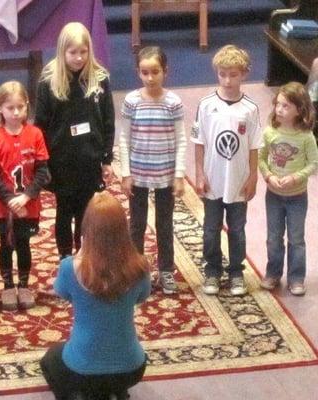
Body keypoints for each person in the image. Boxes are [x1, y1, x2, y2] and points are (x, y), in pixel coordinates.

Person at [40, 192, 150, 400]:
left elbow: (61, 292)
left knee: (50, 359)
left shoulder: (70, 268)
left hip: (82, 368)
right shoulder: (140, 267)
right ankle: (115, 390)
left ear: (86, 228)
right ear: (123, 229)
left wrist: (80, 255)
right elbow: (142, 296)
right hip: (132, 367)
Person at [34, 21, 115, 260]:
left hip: (89, 158)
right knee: (64, 211)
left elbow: (108, 120)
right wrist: (42, 162)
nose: (78, 58)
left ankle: (83, 256)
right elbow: (40, 124)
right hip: (61, 159)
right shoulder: (48, 80)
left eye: (83, 51)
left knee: (85, 212)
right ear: (62, 52)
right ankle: (64, 257)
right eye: (72, 53)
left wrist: (107, 158)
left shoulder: (99, 78)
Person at [191, 45, 262, 296]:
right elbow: (199, 142)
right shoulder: (206, 104)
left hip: (238, 181)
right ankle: (212, 271)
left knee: (237, 230)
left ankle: (235, 273)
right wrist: (199, 173)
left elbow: (254, 146)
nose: (228, 80)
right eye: (222, 74)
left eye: (233, 74)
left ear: (244, 74)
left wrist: (253, 176)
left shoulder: (250, 108)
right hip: (213, 179)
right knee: (210, 230)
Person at [120, 46, 186, 295]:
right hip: (138, 174)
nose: (150, 78)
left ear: (165, 72)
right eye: (144, 72)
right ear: (138, 72)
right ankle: (137, 272)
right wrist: (126, 173)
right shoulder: (132, 101)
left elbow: (181, 140)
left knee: (164, 223)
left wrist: (178, 176)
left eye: (155, 72)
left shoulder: (173, 102)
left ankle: (166, 270)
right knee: (136, 224)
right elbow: (124, 138)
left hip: (165, 175)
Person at [0, 81, 50, 310]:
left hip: (28, 204)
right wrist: (10, 200)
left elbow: (43, 171)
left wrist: (27, 196)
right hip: (3, 206)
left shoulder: (35, 134)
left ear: (27, 107)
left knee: (23, 244)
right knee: (6, 244)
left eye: (20, 107)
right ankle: (7, 286)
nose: (15, 113)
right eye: (10, 108)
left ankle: (23, 285)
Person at [258, 82, 318, 296]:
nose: (280, 109)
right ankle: (273, 273)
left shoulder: (305, 136)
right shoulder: (270, 132)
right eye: (278, 105)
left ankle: (296, 277)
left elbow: (314, 163)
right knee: (273, 237)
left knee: (296, 238)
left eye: (286, 106)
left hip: (297, 197)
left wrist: (296, 177)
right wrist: (269, 176)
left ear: (299, 110)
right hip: (273, 195)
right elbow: (261, 157)